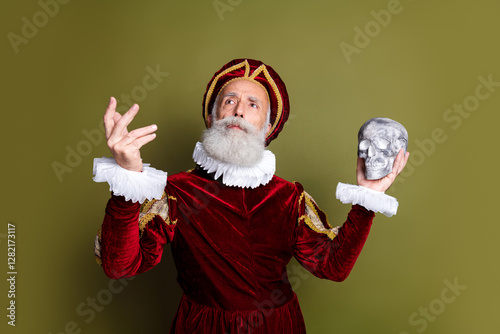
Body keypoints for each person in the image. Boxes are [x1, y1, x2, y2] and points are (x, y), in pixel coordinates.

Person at [93, 58, 409, 334]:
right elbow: (119, 266)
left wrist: (366, 202)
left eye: (253, 104)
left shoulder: (289, 198)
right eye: (229, 101)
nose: (239, 111)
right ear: (211, 116)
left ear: (268, 128)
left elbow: (333, 266)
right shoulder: (174, 193)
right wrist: (127, 179)